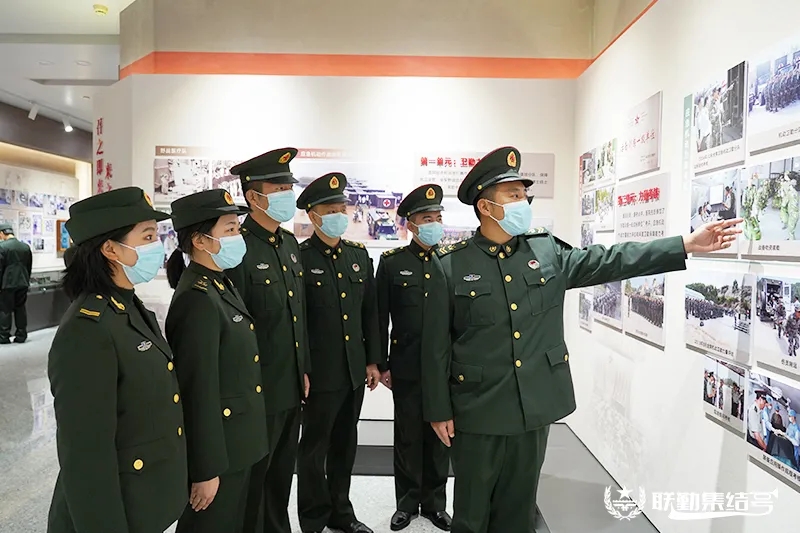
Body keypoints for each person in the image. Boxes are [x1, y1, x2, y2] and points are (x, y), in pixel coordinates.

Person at [420, 147, 742, 533]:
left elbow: (611, 258)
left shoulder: (546, 250)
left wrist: (684, 245)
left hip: (532, 408)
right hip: (478, 409)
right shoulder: (450, 264)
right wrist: (438, 409)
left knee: (518, 512)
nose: (524, 202)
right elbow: (434, 346)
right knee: (471, 515)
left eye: (525, 194)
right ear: (486, 207)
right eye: (513, 194)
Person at [47, 187, 188, 533]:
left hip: (141, 502)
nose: (158, 246)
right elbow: (86, 456)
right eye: (148, 237)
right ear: (111, 249)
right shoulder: (87, 329)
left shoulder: (126, 306)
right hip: (114, 514)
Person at [164, 189, 269, 533]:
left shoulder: (219, 284)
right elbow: (197, 391)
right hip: (221, 454)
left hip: (241, 443)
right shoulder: (196, 299)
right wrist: (205, 469)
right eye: (230, 229)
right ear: (200, 240)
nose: (239, 236)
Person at [227, 148, 311, 533]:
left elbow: (297, 316)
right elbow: (235, 327)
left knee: (281, 474)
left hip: (290, 383)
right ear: (253, 196)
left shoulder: (289, 244)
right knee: (255, 478)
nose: (287, 195)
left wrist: (303, 368)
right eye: (278, 189)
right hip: (258, 388)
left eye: (288, 188)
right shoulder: (238, 247)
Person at [296, 172, 382, 533]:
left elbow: (370, 314)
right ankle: (313, 517)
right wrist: (301, 368)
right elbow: (298, 321)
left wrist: (373, 360)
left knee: (345, 445)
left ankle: (341, 513)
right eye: (330, 210)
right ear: (313, 216)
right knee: (314, 449)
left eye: (341, 209)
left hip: (353, 371)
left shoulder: (358, 256)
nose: (338, 215)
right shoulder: (299, 258)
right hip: (320, 374)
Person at [376, 184, 451, 531]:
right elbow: (379, 317)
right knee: (407, 437)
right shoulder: (393, 263)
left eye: (437, 217)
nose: (434, 224)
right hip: (406, 366)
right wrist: (381, 364)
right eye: (427, 218)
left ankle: (435, 504)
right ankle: (406, 503)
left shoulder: (449, 263)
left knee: (439, 437)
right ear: (411, 224)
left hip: (443, 368)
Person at [0, 222, 32, 343]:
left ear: (2, 233)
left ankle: (4, 336)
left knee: (5, 310)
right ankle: (21, 334)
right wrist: (26, 279)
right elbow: (29, 266)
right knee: (20, 308)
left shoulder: (2, 247)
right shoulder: (25, 247)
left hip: (7, 284)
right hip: (23, 282)